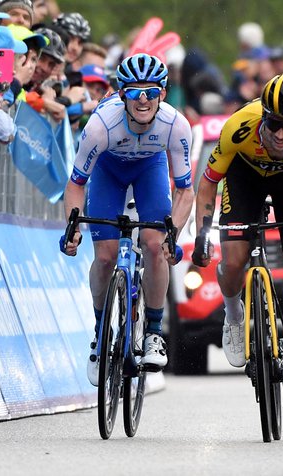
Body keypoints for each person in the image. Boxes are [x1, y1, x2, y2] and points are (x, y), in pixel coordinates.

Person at [191, 73, 283, 401]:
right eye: (273, 125)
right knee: (234, 261)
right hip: (245, 177)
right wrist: (203, 231)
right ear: (264, 118)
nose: (281, 134)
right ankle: (234, 316)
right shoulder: (239, 126)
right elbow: (210, 181)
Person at [60, 53, 195, 386]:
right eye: (135, 92)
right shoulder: (100, 126)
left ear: (163, 94)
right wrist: (72, 227)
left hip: (150, 168)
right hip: (108, 170)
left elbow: (185, 192)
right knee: (104, 258)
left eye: (151, 91)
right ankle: (99, 333)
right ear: (122, 95)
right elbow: (76, 184)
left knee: (153, 245)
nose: (144, 99)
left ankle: (153, 331)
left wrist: (171, 235)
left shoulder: (176, 125)